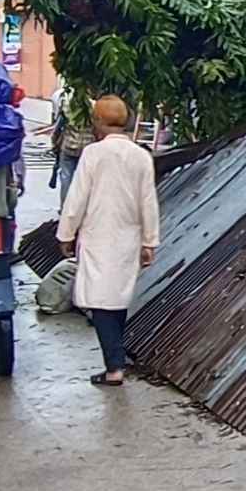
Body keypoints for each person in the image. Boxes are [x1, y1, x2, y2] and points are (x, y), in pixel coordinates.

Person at [56, 95, 157, 387]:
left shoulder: (93, 154)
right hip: (129, 236)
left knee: (101, 301)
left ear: (98, 122)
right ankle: (115, 359)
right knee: (117, 297)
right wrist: (149, 242)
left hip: (99, 235)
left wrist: (66, 233)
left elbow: (76, 198)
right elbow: (148, 201)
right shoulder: (140, 155)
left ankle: (114, 367)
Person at [49, 87, 96, 201]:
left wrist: (54, 143)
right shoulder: (94, 106)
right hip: (88, 147)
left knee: (66, 177)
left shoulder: (66, 104)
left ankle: (65, 207)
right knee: (85, 179)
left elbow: (58, 125)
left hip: (68, 145)